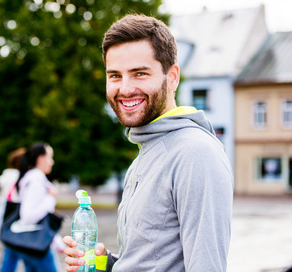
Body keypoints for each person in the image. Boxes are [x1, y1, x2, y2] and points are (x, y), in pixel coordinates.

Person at [63, 14, 234, 271]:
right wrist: (105, 264)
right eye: (115, 76)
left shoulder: (196, 153)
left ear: (172, 77)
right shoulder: (146, 151)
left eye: (139, 73)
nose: (125, 88)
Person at [1, 142, 64, 272]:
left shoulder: (32, 177)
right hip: (37, 247)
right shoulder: (36, 179)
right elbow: (28, 216)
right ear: (40, 159)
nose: (52, 162)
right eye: (50, 157)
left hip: (31, 244)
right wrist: (51, 198)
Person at [0, 148, 26, 272]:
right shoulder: (20, 177)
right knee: (28, 253)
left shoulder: (6, 176)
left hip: (8, 217)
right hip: (18, 218)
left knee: (9, 253)